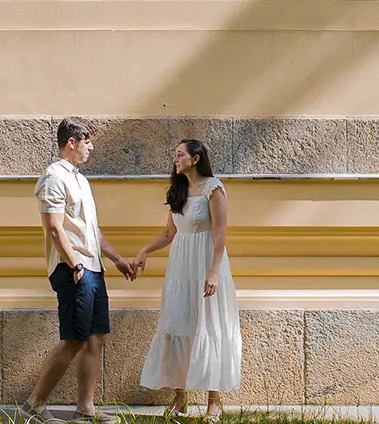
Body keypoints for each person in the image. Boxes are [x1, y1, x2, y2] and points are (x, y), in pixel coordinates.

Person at [23, 117, 138, 424]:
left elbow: (92, 231)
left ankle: (85, 409)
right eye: (86, 141)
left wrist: (116, 259)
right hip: (72, 269)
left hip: (92, 269)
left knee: (96, 337)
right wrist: (75, 265)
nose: (91, 147)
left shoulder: (80, 180)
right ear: (70, 143)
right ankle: (34, 404)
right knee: (74, 338)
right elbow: (54, 229)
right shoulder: (53, 177)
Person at [136, 140, 241, 422]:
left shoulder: (213, 188)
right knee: (179, 322)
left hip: (206, 263)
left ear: (195, 159)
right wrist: (144, 250)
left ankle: (213, 401)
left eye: (180, 154)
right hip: (180, 269)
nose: (175, 158)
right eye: (175, 154)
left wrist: (214, 272)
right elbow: (169, 234)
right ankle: (180, 395)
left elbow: (220, 234)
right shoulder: (178, 191)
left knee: (209, 324)